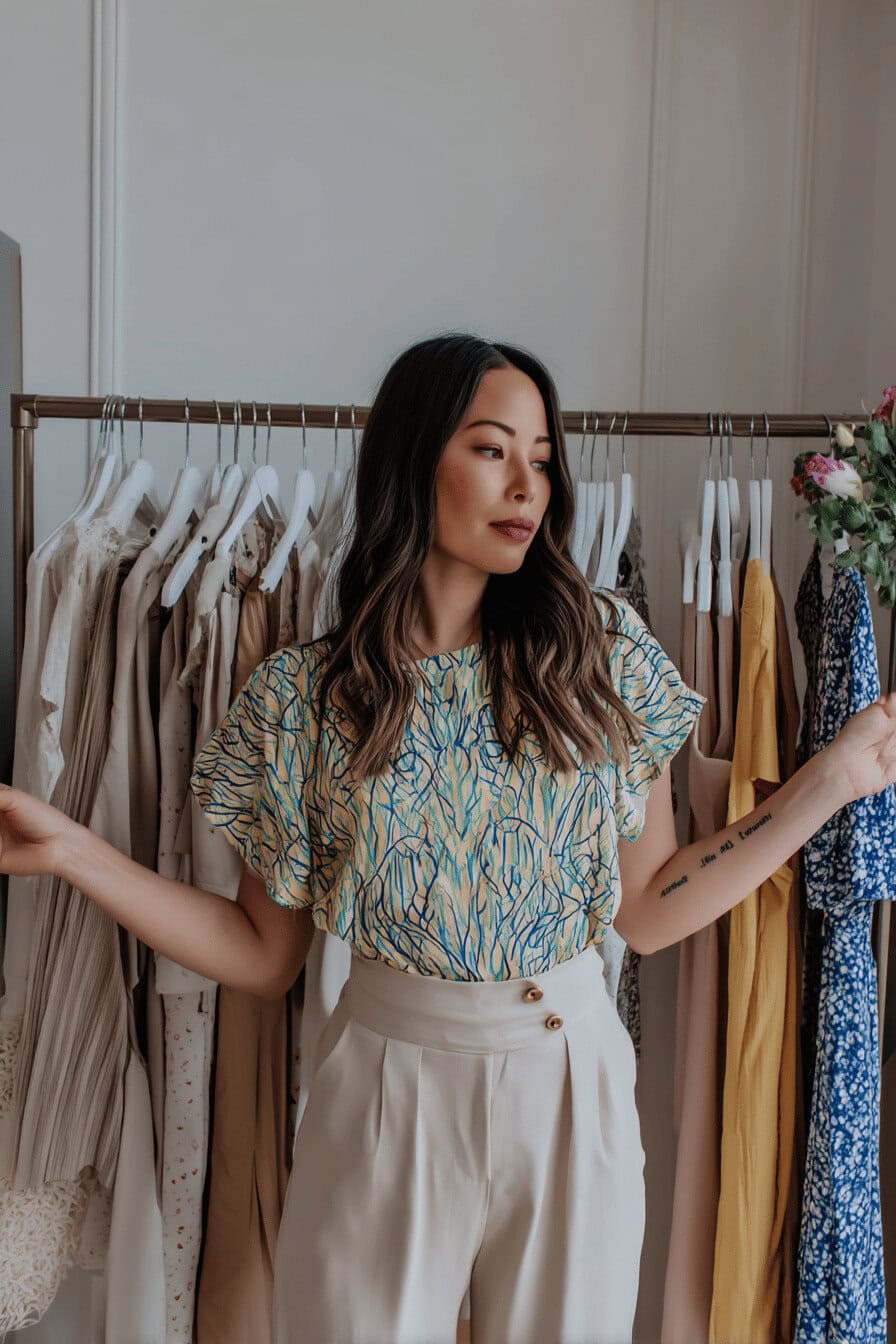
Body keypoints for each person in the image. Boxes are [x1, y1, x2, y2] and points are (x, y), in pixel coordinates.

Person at [1, 333, 895, 1344]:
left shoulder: (595, 655)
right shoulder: (303, 698)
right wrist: (72, 851)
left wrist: (831, 781)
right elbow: (261, 954)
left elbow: (646, 909)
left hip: (567, 1077)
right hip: (383, 1075)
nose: (529, 484)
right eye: (490, 449)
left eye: (543, 458)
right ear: (412, 458)